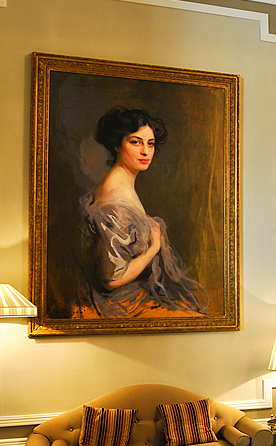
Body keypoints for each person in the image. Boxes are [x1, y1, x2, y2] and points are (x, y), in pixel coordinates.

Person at [77, 106, 210, 317]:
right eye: (135, 142)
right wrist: (153, 248)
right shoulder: (114, 198)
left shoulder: (124, 184)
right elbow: (112, 279)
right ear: (116, 145)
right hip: (123, 303)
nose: (145, 152)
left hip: (138, 295)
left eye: (150, 144)